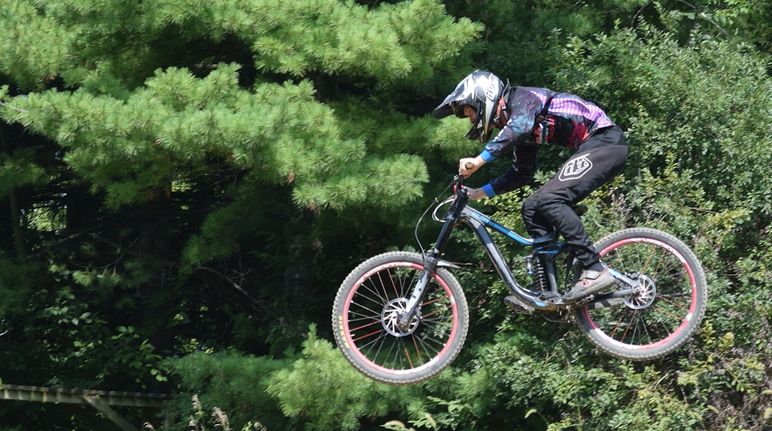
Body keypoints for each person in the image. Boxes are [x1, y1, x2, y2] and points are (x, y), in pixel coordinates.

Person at [432, 70, 628, 301]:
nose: (472, 120)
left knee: (550, 199)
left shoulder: (523, 99)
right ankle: (546, 292)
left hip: (605, 142)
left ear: (482, 98)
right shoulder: (521, 127)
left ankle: (595, 268)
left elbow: (520, 126)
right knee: (532, 206)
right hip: (594, 147)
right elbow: (521, 173)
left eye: (469, 111)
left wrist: (478, 160)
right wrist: (479, 193)